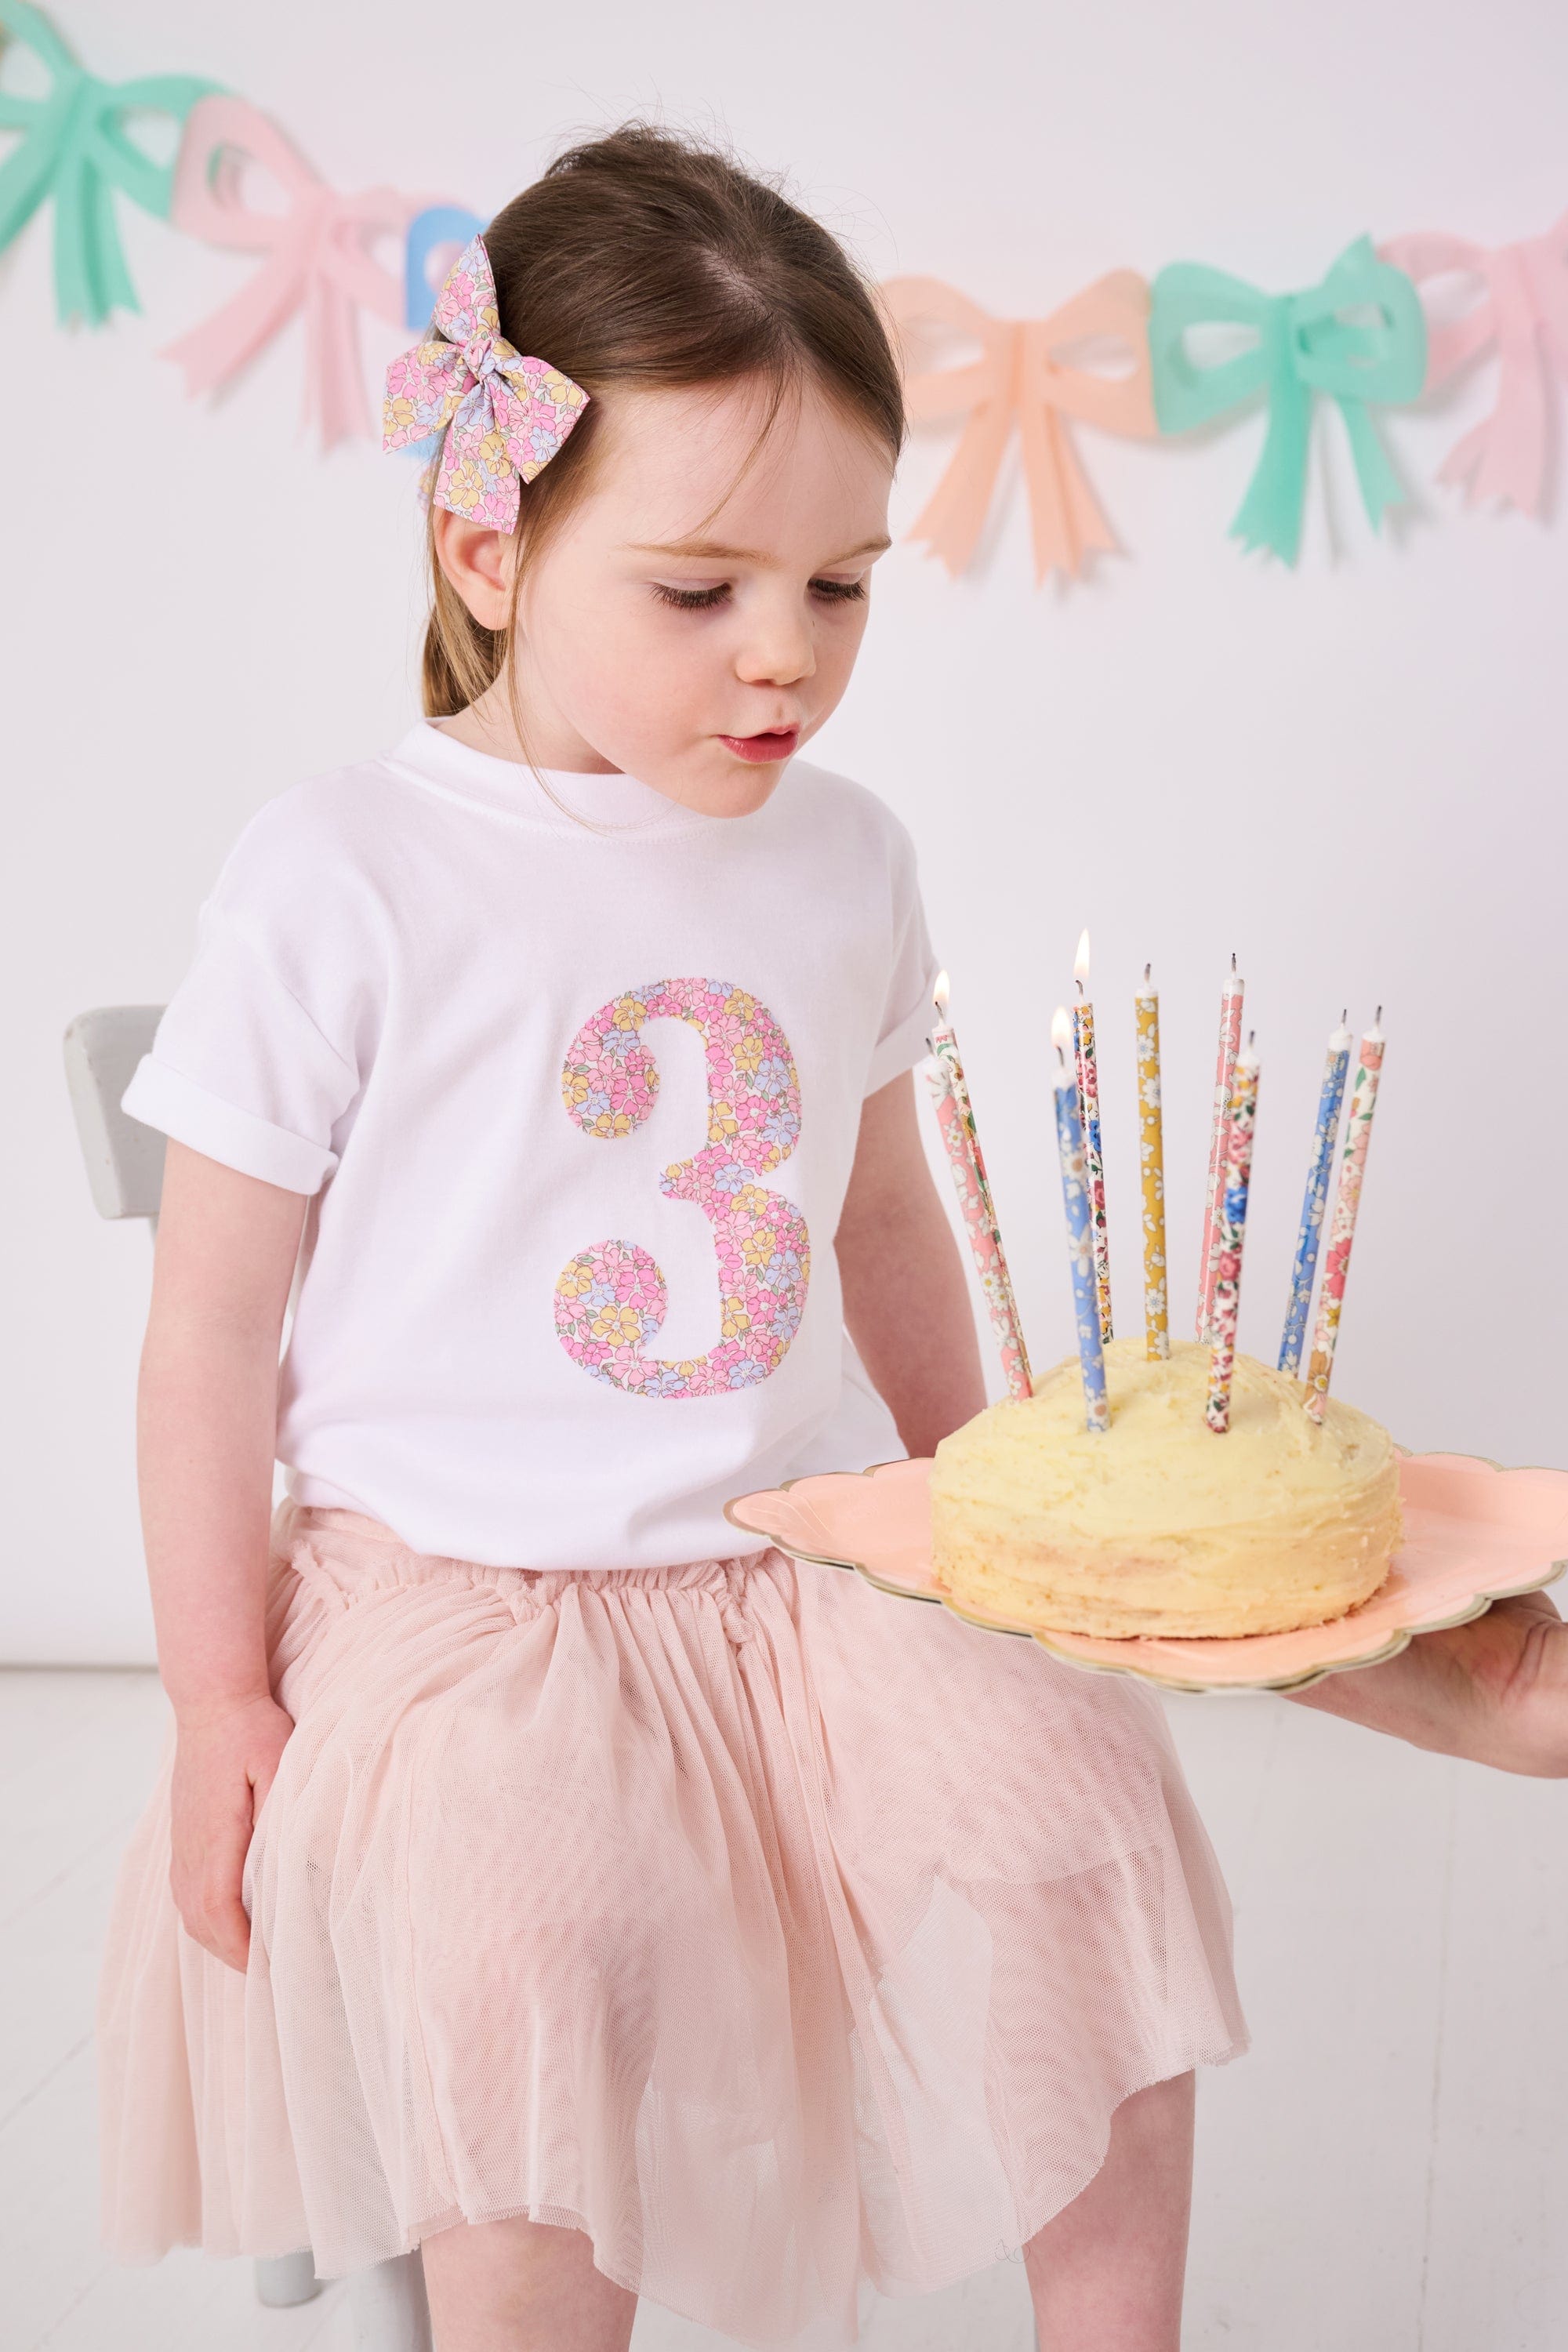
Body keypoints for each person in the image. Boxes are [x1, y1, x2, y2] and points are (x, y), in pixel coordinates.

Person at [94, 124, 1247, 2352]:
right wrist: (217, 1689)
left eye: (841, 587)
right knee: (537, 1921)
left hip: (799, 1553)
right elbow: (210, 1333)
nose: (784, 657)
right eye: (700, 591)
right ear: (493, 543)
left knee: (1074, 1806)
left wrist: (983, 1495)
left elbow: (883, 1212)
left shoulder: (843, 856)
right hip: (458, 1596)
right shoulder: (342, 874)